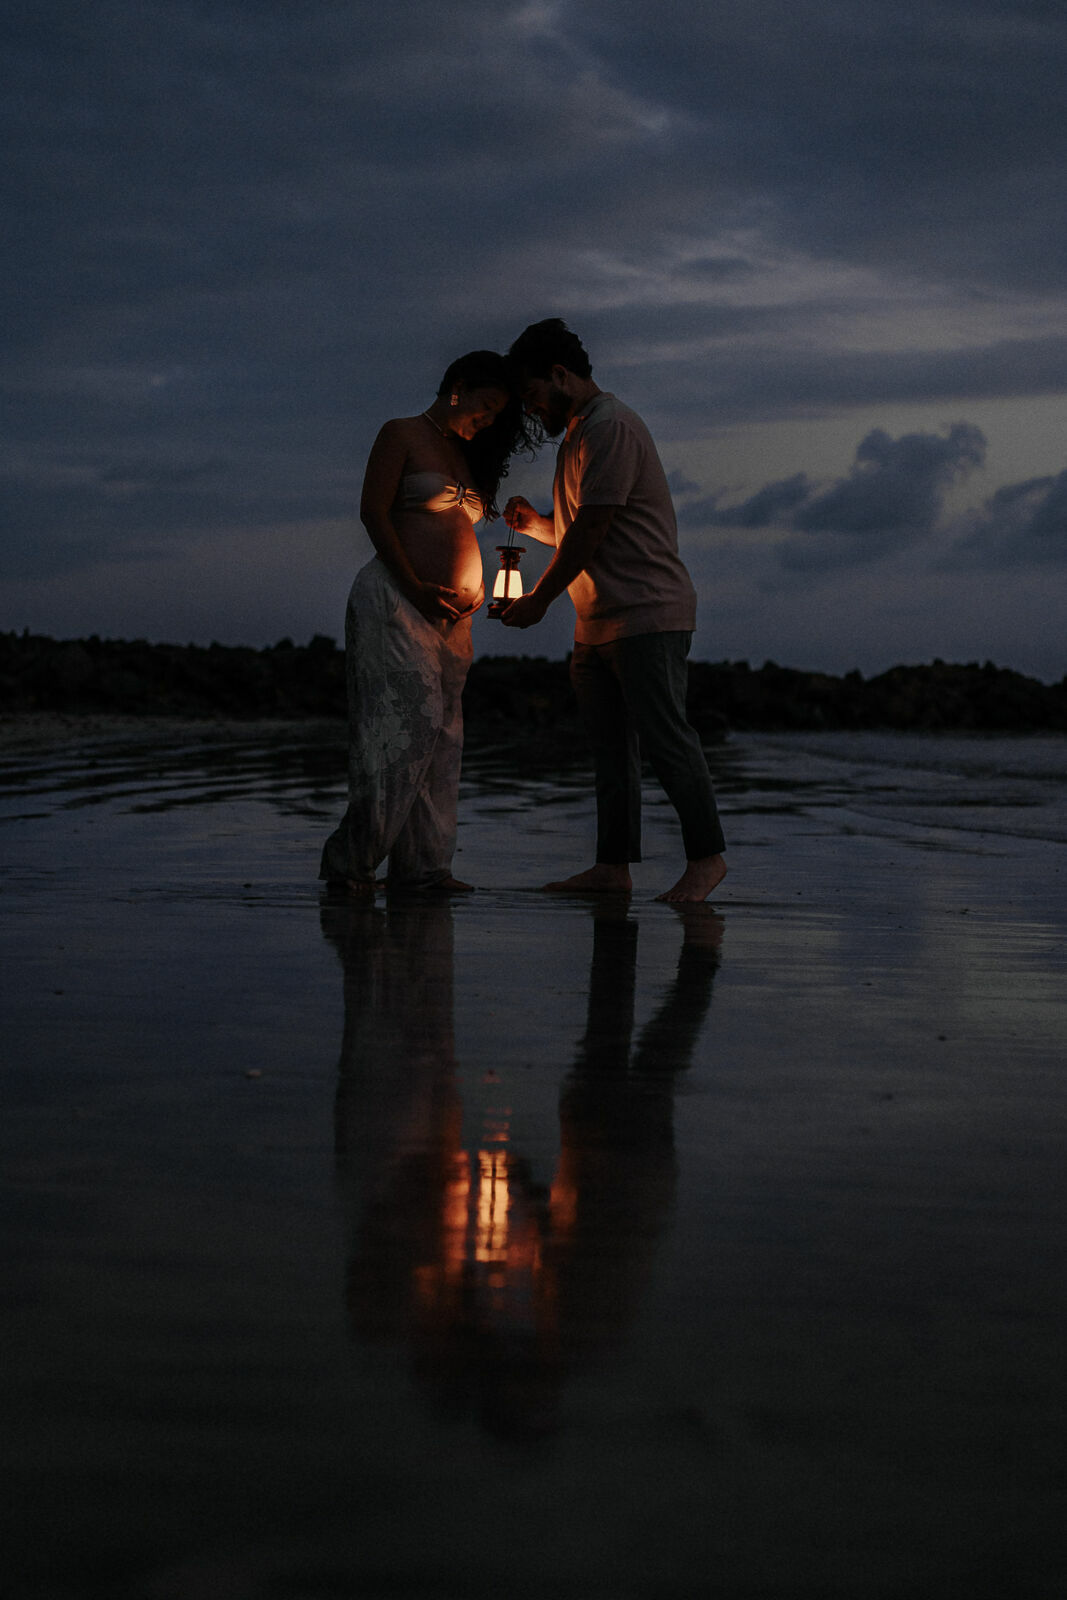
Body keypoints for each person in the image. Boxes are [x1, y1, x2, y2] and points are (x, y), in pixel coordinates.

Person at [500, 319, 727, 903]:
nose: (531, 413)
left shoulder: (613, 428)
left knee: (665, 738)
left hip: (647, 614)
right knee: (610, 750)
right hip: (596, 621)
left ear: (560, 376)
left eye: (532, 397)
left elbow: (594, 532)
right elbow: (579, 528)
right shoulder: (577, 435)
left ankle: (707, 859)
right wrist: (535, 526)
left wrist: (538, 601)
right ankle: (612, 867)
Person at [320, 350, 536, 895]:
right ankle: (352, 862)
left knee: (445, 739)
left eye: (496, 415)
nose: (487, 421)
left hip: (451, 623)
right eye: (485, 407)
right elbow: (373, 511)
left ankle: (423, 868)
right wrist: (416, 586)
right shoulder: (402, 433)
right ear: (457, 387)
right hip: (397, 600)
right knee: (402, 732)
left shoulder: (467, 456)